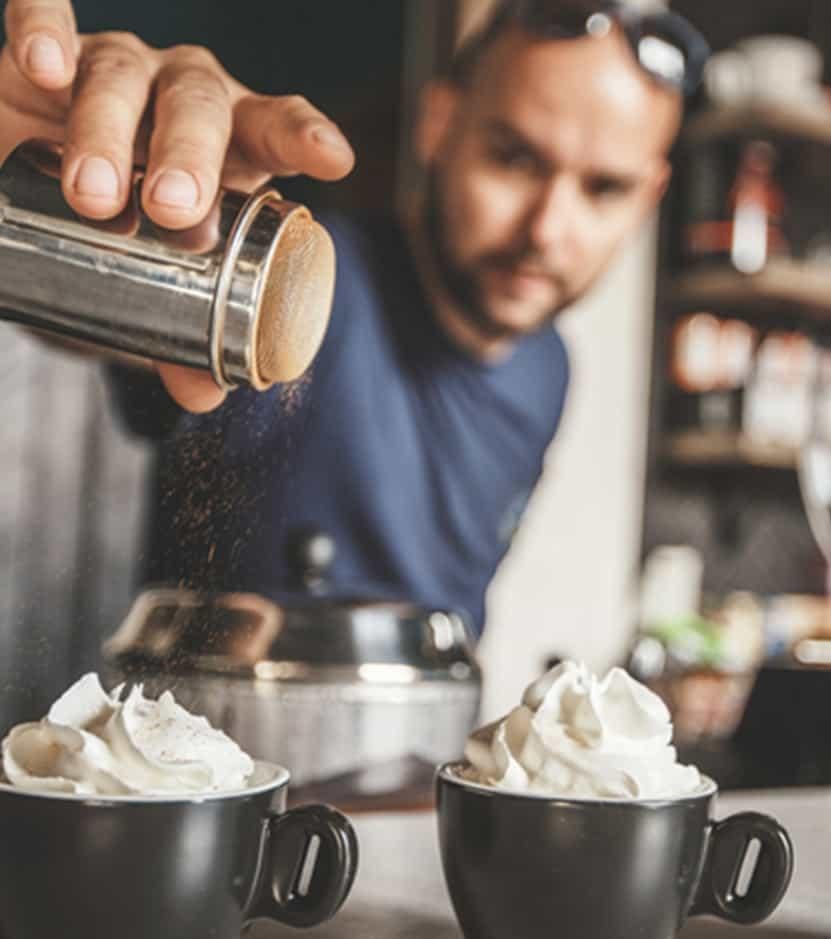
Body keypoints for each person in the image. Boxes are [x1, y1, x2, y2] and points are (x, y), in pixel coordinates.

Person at [0, 0, 708, 635]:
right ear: (440, 125)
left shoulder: (546, 368)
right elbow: (85, 317)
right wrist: (51, 200)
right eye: (514, 158)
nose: (548, 229)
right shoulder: (310, 292)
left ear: (649, 197)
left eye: (604, 188)